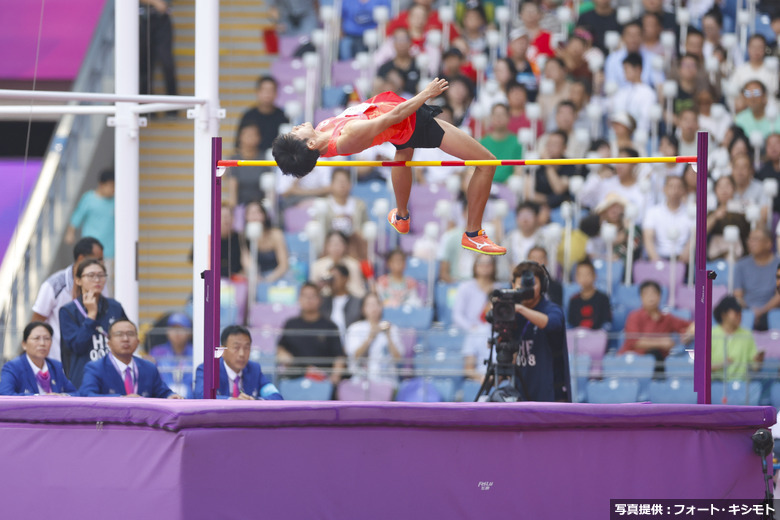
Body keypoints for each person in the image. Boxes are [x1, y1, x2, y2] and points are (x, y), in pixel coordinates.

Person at [272, 78, 506, 255]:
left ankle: (402, 216)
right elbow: (392, 117)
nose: (296, 127)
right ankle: (473, 234)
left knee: (402, 155)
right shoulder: (347, 136)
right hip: (413, 124)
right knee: (487, 163)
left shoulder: (322, 128)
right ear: (310, 143)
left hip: (401, 127)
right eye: (295, 133)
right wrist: (426, 94)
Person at [30, 237, 104, 362]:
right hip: (58, 363)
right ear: (81, 258)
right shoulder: (54, 285)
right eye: (98, 259)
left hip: (89, 362)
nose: (101, 264)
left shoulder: (101, 283)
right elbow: (36, 322)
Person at [507, 261, 571, 402]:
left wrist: (521, 309)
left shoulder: (551, 309)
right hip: (521, 394)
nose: (526, 289)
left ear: (542, 286)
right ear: (513, 286)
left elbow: (553, 323)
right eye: (521, 285)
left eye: (532, 284)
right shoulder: (513, 313)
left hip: (551, 395)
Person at [59, 259, 127, 389]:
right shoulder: (68, 311)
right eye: (91, 276)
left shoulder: (115, 307)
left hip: (113, 377)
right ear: (78, 280)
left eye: (101, 275)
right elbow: (77, 346)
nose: (97, 280)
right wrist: (91, 315)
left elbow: (126, 338)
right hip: (82, 380)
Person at [79, 319, 182, 398]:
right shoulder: (96, 368)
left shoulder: (149, 368)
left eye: (130, 334)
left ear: (138, 341)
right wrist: (122, 399)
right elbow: (87, 396)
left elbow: (163, 392)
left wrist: (171, 396)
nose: (125, 339)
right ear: (109, 343)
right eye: (119, 334)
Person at [277, 283, 346, 387]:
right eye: (305, 296)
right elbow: (281, 348)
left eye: (312, 296)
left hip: (322, 380)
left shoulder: (330, 326)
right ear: (299, 299)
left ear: (320, 300)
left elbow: (339, 356)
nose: (309, 299)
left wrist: (334, 378)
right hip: (295, 378)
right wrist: (285, 356)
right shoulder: (290, 324)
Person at [193, 325, 283, 400]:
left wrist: (255, 401)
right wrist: (232, 401)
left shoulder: (254, 369)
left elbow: (276, 396)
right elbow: (201, 396)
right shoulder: (208, 370)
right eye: (236, 348)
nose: (242, 354)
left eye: (246, 348)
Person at [620, 281, 694, 369]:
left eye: (653, 293)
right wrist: (662, 343)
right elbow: (635, 342)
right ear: (641, 297)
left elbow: (695, 324)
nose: (650, 297)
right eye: (646, 294)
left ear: (660, 296)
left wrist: (689, 333)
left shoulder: (667, 318)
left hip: (659, 363)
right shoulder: (634, 316)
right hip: (634, 362)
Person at [65, 170, 115, 293]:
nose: (113, 189)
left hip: (109, 251)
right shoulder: (89, 198)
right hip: (90, 250)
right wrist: (70, 232)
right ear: (101, 185)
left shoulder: (117, 201)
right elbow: (77, 216)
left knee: (106, 283)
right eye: (111, 186)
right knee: (88, 279)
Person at [0, 322, 76, 396]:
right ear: (24, 344)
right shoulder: (13, 367)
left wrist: (61, 396)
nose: (42, 343)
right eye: (36, 338)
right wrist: (39, 397)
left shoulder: (56, 366)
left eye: (47, 338)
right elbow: (5, 394)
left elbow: (75, 393)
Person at [457, 256, 501, 383]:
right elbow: (457, 315)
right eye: (481, 263)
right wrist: (472, 329)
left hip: (494, 329)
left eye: (489, 263)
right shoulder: (465, 287)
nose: (485, 266)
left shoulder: (499, 288)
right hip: (473, 332)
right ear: (475, 266)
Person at [344, 293, 403, 384]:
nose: (374, 308)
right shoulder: (355, 328)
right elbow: (354, 356)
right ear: (363, 309)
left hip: (387, 381)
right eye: (370, 305)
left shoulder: (392, 328)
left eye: (377, 304)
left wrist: (388, 336)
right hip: (360, 380)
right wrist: (370, 337)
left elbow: (398, 359)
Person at [734, 228, 780, 331]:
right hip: (746, 311)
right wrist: (750, 312)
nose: (751, 243)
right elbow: (738, 294)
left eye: (756, 239)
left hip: (772, 311)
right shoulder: (741, 265)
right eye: (749, 239)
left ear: (768, 243)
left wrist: (761, 311)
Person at [711, 296, 763, 381]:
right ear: (724, 314)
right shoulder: (711, 334)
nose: (739, 315)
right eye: (736, 312)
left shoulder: (747, 335)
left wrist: (759, 360)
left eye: (740, 312)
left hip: (741, 386)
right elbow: (701, 367)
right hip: (715, 384)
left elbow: (755, 367)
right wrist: (720, 365)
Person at [642, 176, 692, 263]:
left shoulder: (691, 213)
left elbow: (695, 237)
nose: (675, 190)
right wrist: (657, 261)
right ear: (664, 189)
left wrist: (686, 253)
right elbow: (648, 238)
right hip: (659, 258)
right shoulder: (653, 212)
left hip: (682, 260)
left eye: (679, 187)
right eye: (671, 186)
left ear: (684, 190)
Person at [236, 76, 289, 154]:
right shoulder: (248, 116)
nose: (267, 94)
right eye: (264, 90)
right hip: (254, 161)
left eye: (271, 90)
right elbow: (238, 145)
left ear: (276, 93)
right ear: (258, 92)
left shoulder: (283, 116)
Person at [240, 201, 289, 283]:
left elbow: (283, 265)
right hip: (257, 276)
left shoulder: (276, 234)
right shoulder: (244, 236)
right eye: (250, 213)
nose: (254, 216)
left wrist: (269, 279)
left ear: (264, 215)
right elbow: (246, 261)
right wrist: (255, 277)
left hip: (277, 275)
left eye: (257, 212)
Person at [139, 0, 178, 102]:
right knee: (145, 65)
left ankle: (172, 106)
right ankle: (146, 103)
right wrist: (155, 2)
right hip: (145, 20)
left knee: (167, 63)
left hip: (162, 20)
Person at [149, 312, 194, 399]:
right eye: (173, 328)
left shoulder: (196, 352)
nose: (177, 333)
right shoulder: (157, 352)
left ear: (189, 333)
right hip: (164, 399)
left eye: (181, 329)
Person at [310, 231, 367, 298]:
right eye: (333, 244)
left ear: (345, 246)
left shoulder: (353, 265)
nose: (336, 247)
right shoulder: (317, 265)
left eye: (339, 244)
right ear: (326, 246)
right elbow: (312, 290)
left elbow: (358, 290)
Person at [479, 103, 524, 184]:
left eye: (502, 115)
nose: (499, 118)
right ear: (491, 118)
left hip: (508, 186)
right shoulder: (482, 142)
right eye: (496, 115)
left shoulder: (517, 142)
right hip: (485, 185)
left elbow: (518, 170)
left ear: (508, 118)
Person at [226, 125, 266, 207]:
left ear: (259, 138)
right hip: (241, 206)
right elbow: (232, 188)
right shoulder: (233, 160)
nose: (250, 138)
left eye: (253, 135)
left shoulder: (265, 158)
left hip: (261, 207)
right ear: (240, 137)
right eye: (247, 135)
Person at [320, 264, 363, 339]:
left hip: (351, 341)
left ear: (345, 279)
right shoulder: (323, 301)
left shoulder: (357, 302)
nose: (331, 281)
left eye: (334, 278)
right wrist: (319, 287)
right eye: (330, 278)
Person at [567, 261, 612, 330]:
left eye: (587, 274)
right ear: (576, 277)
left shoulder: (603, 299)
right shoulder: (574, 300)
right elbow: (571, 323)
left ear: (595, 275)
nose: (584, 278)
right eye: (580, 274)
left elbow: (607, 322)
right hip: (577, 337)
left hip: (597, 338)